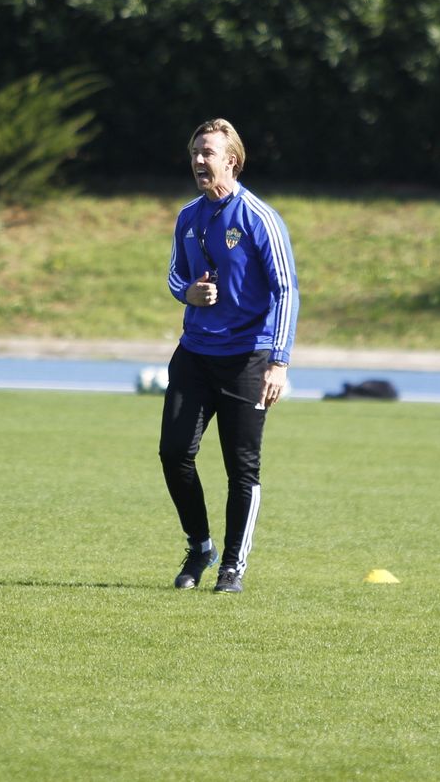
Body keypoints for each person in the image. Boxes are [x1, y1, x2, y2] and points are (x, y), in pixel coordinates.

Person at [160, 118, 299, 594]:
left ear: (232, 160)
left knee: (242, 468)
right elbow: (176, 276)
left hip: (248, 359)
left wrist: (278, 361)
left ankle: (233, 566)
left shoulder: (259, 217)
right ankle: (200, 546)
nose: (200, 160)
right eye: (196, 151)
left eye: (209, 152)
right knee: (174, 453)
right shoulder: (188, 217)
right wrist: (188, 295)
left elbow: (286, 291)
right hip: (195, 354)